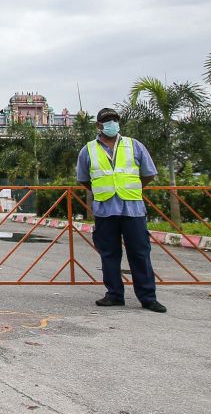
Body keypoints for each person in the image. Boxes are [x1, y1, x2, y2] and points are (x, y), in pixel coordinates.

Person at [76, 107, 166, 313]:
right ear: (98, 125)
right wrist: (103, 191)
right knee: (109, 254)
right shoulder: (88, 149)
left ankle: (148, 297)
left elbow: (148, 173)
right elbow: (83, 178)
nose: (111, 124)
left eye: (114, 120)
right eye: (106, 121)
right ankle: (114, 294)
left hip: (132, 208)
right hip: (105, 209)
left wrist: (130, 188)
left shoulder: (134, 145)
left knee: (140, 253)